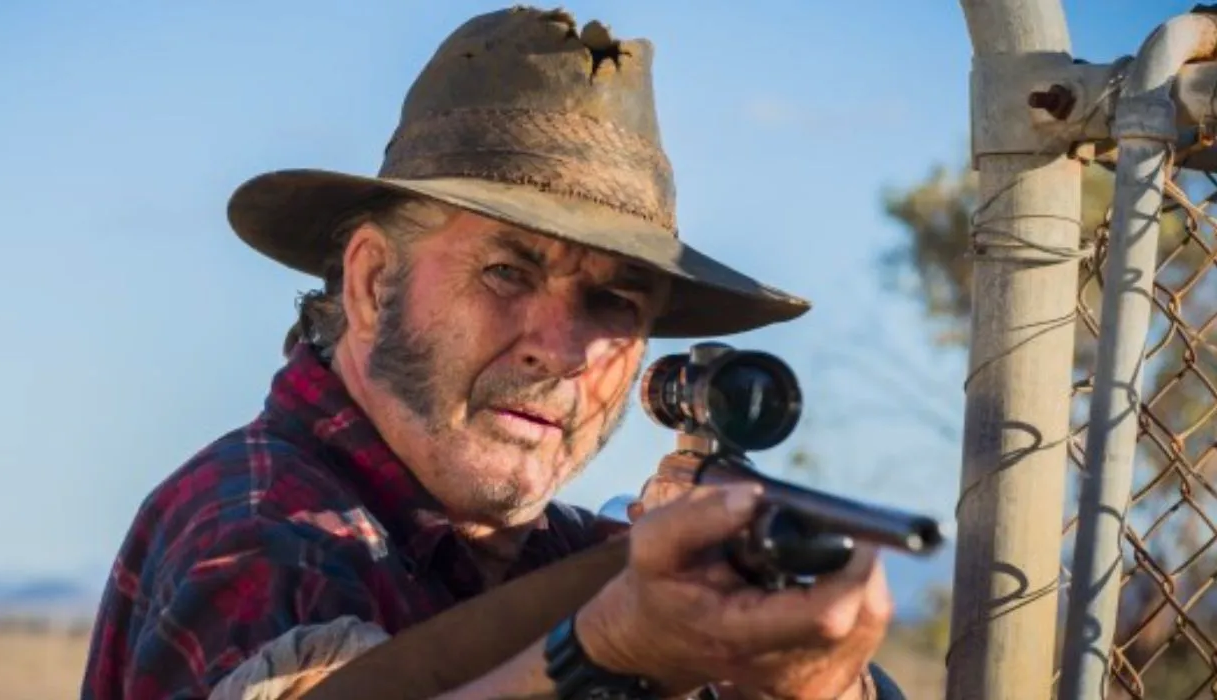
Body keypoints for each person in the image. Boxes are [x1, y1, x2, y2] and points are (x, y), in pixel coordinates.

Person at [80, 6, 903, 700]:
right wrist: (609, 648)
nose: (561, 349)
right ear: (371, 283)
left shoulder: (561, 557)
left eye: (613, 302)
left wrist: (812, 678)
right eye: (507, 271)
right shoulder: (267, 533)